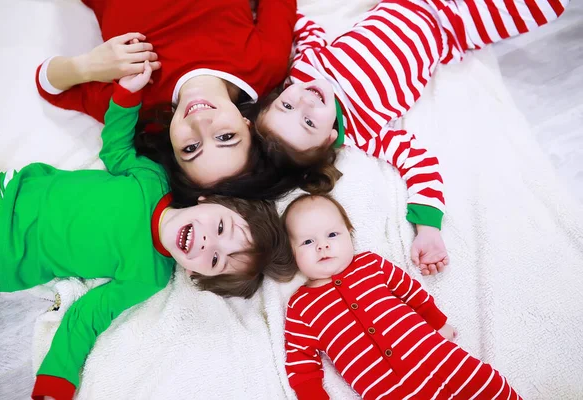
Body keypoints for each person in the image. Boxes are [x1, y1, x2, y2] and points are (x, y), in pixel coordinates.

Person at [0, 62, 293, 400]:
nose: (207, 242)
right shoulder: (152, 179)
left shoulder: (149, 276)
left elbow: (89, 317)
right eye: (221, 226)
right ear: (207, 199)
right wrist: (127, 95)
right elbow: (115, 149)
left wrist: (56, 380)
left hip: (2, 254)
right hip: (4, 189)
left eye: (216, 259)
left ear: (195, 273)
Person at [255, 0, 569, 274]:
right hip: (453, 27)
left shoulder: (304, 71)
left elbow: (309, 33)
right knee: (548, 6)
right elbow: (419, 163)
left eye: (286, 104)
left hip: (399, 4)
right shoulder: (364, 132)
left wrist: (277, 16)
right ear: (328, 140)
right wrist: (428, 227)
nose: (304, 102)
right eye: (309, 121)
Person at [35, 0, 297, 197]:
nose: (200, 123)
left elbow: (47, 83)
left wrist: (89, 65)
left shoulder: (136, 98)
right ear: (247, 123)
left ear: (173, 149)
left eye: (191, 148)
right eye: (225, 137)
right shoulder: (265, 65)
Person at [281, 194, 522, 399]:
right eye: (308, 241)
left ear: (349, 234)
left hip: (441, 359)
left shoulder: (371, 264)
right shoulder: (300, 307)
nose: (322, 246)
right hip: (391, 391)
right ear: (292, 254)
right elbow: (301, 365)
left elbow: (412, 292)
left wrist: (437, 322)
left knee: (488, 385)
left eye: (332, 235)